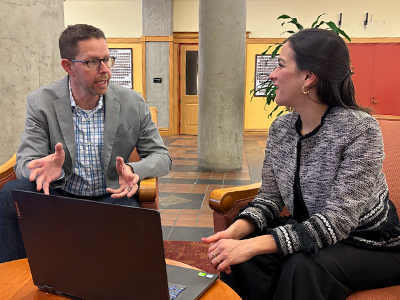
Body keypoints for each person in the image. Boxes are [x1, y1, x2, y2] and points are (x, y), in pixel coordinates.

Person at [202, 28, 400, 300]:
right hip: (312, 232)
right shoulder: (281, 128)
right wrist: (235, 232)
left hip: (370, 245)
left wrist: (255, 246)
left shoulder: (360, 130)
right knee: (240, 257)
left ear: (309, 77)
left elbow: (337, 222)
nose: (272, 74)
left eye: (281, 65)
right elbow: (270, 199)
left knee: (300, 266)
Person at [0, 24, 171, 263]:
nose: (105, 70)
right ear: (68, 66)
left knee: (132, 258)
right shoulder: (41, 102)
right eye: (92, 62)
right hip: (60, 194)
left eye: (107, 59)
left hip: (111, 195)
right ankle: (14, 280)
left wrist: (133, 169)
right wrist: (42, 167)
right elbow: (24, 162)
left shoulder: (132, 102)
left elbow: (162, 157)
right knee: (11, 193)